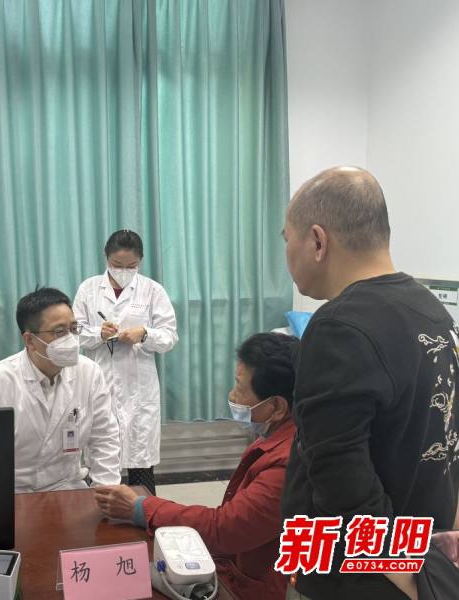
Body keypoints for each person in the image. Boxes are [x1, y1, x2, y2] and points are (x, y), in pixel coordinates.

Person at [281, 167, 459, 599]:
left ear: (318, 241)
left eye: (287, 239)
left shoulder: (339, 326)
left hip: (361, 579)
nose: (286, 253)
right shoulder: (433, 311)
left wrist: (411, 581)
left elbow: (342, 480)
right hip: (422, 558)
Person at [95, 332, 299, 600]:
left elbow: (226, 528)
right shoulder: (277, 437)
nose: (232, 395)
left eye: (240, 388)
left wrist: (141, 508)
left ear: (277, 406)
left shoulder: (287, 463)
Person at [0, 287, 121, 493]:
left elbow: (104, 438)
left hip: (67, 487)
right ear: (30, 340)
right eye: (59, 331)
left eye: (73, 329)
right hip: (11, 491)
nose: (71, 339)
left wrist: (106, 494)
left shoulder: (89, 372)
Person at [73, 230, 177, 495]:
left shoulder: (152, 290)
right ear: (106, 258)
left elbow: (169, 337)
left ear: (140, 261)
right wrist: (99, 333)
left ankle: (144, 515)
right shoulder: (88, 289)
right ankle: (102, 515)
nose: (123, 271)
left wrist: (144, 334)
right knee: (101, 462)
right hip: (100, 383)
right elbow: (74, 332)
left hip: (139, 387)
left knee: (140, 464)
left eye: (131, 266)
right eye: (117, 264)